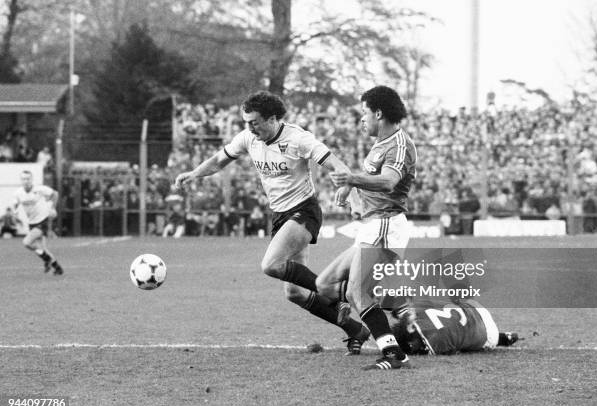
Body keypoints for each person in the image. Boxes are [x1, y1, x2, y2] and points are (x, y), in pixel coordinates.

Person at [175, 91, 369, 347]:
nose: (250, 128)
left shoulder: (298, 139)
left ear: (273, 118)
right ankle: (356, 330)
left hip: (304, 210)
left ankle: (337, 292)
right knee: (294, 293)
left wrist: (353, 199)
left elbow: (339, 166)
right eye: (246, 122)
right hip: (279, 215)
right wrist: (194, 173)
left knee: (271, 264)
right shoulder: (248, 138)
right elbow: (218, 161)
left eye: (254, 122)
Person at [316, 85, 418, 370]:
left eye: (364, 112)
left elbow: (388, 181)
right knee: (324, 285)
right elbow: (370, 179)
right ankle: (399, 303)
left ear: (378, 113)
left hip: (386, 224)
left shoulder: (399, 144)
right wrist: (350, 187)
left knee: (358, 294)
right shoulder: (380, 144)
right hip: (371, 225)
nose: (361, 119)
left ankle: (395, 354)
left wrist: (350, 178)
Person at [390, 298, 519, 355]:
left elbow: (414, 348)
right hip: (474, 306)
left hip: (488, 333)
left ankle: (502, 338)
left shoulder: (433, 342)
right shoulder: (416, 310)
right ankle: (503, 337)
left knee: (464, 341)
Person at [11, 170, 63, 275]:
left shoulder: (39, 189)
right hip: (32, 223)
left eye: (28, 179)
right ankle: (57, 268)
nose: (26, 181)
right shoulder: (18, 193)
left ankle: (46, 259)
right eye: (24, 179)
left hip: (43, 220)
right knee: (42, 248)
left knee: (26, 242)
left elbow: (55, 194)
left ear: (32, 179)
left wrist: (53, 208)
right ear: (21, 180)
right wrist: (15, 211)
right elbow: (15, 204)